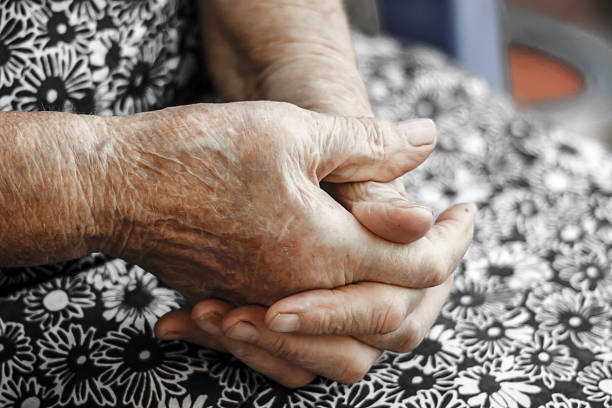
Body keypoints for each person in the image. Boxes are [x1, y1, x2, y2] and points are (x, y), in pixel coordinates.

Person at [0, 0, 474, 393]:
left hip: (240, 142)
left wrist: (337, 136)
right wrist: (120, 185)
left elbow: (286, 41)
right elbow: (126, 184)